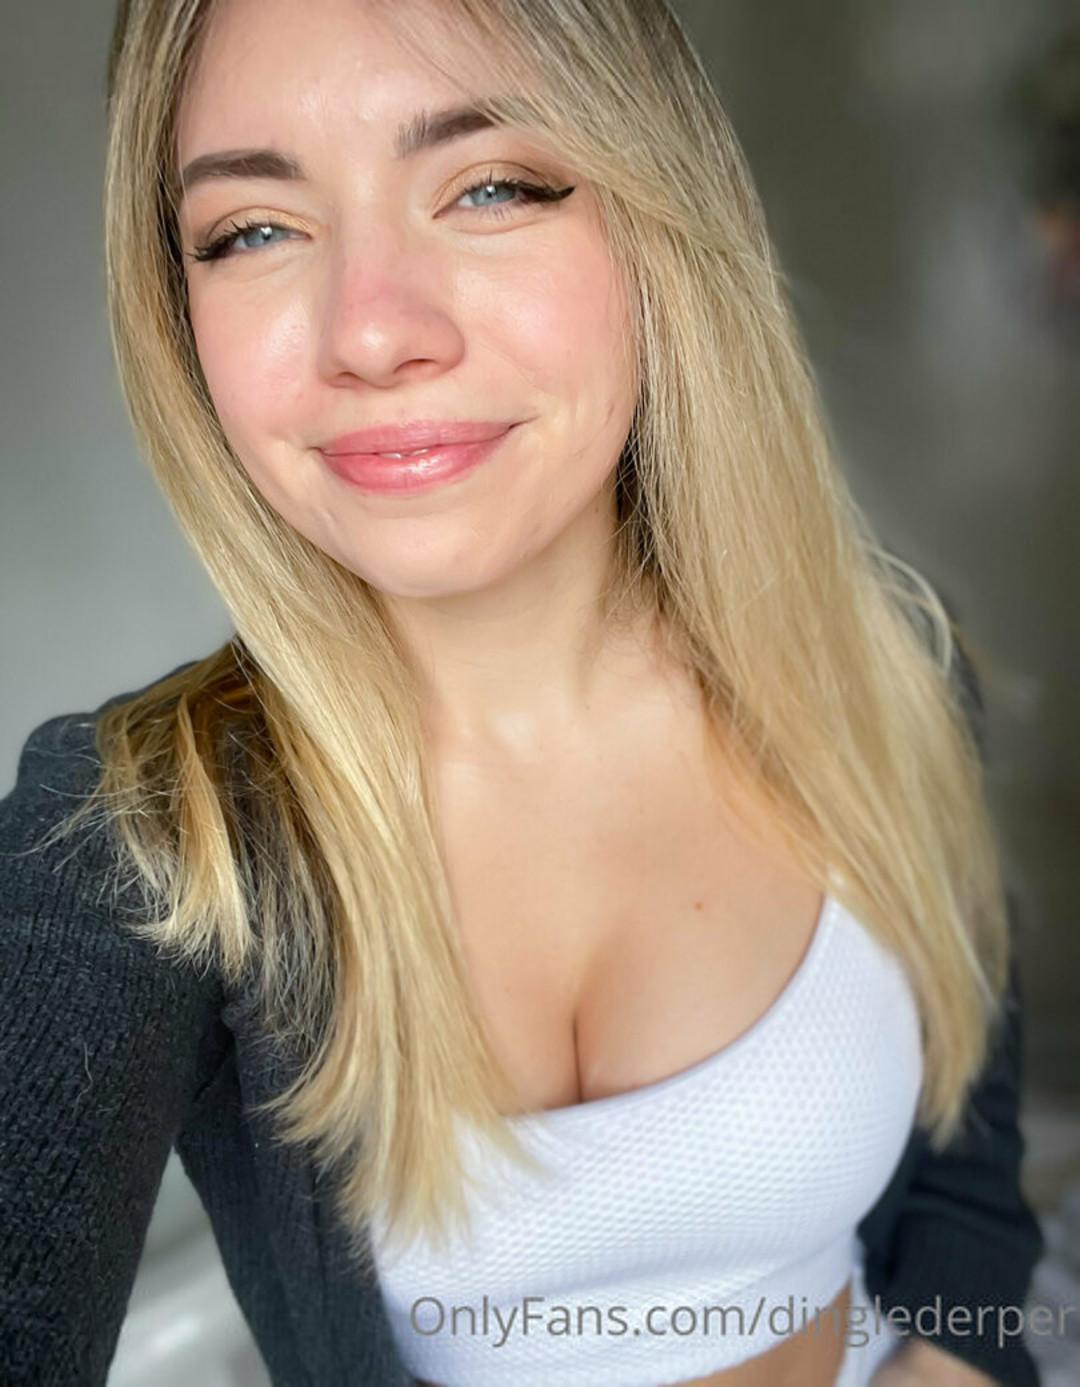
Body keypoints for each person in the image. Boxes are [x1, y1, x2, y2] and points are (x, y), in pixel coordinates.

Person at [0, 1, 1046, 1384]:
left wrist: (962, 1362)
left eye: (490, 187)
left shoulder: (891, 669)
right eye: (252, 229)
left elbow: (967, 1169)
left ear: (659, 217)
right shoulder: (132, 840)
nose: (372, 333)